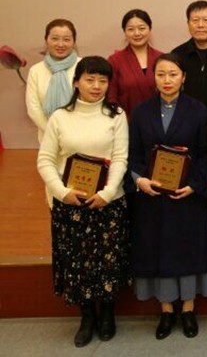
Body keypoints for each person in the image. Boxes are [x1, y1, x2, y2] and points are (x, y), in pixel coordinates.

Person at [36, 56, 130, 347]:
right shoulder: (60, 117)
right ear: (76, 82)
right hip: (71, 203)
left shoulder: (116, 115)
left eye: (102, 80)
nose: (96, 86)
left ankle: (108, 314)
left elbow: (120, 158)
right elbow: (45, 160)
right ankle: (87, 317)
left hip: (108, 203)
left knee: (108, 261)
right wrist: (62, 192)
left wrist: (107, 193)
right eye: (90, 79)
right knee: (78, 262)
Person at [126, 53, 207, 340]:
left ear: (184, 77)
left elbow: (206, 154)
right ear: (154, 78)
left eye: (173, 74)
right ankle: (166, 310)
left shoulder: (199, 110)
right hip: (151, 197)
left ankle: (188, 309)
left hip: (188, 196)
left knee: (188, 249)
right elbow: (133, 155)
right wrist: (140, 180)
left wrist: (195, 185)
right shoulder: (140, 112)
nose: (167, 80)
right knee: (158, 249)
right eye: (161, 74)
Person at [26, 19, 80, 142]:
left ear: (73, 42)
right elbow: (33, 108)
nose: (60, 44)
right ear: (46, 40)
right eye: (55, 39)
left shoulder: (83, 66)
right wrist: (53, 132)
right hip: (48, 138)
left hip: (80, 137)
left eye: (66, 39)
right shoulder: (36, 71)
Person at [108, 9, 162, 117]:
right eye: (131, 29)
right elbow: (111, 97)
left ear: (150, 29)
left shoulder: (161, 58)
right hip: (127, 121)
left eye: (142, 28)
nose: (137, 33)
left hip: (159, 121)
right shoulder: (114, 60)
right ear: (124, 32)